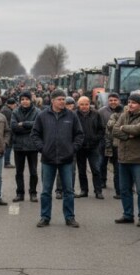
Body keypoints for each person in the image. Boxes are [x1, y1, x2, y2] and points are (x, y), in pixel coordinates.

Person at [32, 89, 84, 228]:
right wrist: (42, 148)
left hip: (66, 159)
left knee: (68, 191)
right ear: (53, 100)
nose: (63, 102)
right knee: (46, 191)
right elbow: (35, 134)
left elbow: (79, 135)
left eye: (64, 99)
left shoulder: (71, 116)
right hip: (48, 160)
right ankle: (45, 217)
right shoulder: (42, 116)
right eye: (60, 99)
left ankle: (69, 217)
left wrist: (72, 149)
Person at [112, 93, 140, 226]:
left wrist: (124, 128)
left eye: (133, 103)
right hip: (123, 159)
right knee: (124, 190)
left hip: (138, 160)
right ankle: (128, 215)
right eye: (129, 102)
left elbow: (139, 129)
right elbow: (114, 131)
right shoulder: (124, 115)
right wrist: (127, 135)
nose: (130, 105)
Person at [11, 91, 39, 202]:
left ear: (30, 100)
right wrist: (29, 126)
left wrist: (23, 123)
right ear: (20, 101)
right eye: (22, 99)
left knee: (33, 171)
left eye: (26, 99)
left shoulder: (37, 111)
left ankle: (33, 193)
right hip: (19, 146)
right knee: (19, 172)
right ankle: (20, 193)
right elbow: (13, 127)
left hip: (32, 146)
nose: (24, 101)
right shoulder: (15, 112)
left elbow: (37, 125)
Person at [75, 96, 105, 199]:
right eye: (82, 104)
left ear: (89, 104)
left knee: (96, 169)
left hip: (93, 147)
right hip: (80, 148)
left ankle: (98, 191)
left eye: (86, 104)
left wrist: (96, 139)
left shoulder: (96, 114)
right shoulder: (74, 115)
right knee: (81, 170)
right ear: (78, 105)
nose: (84, 106)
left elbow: (101, 130)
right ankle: (84, 190)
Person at [98, 92, 123, 198]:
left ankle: (119, 189)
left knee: (118, 166)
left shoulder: (124, 111)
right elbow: (98, 126)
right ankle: (102, 181)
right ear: (108, 101)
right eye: (111, 100)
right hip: (104, 140)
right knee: (102, 163)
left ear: (119, 101)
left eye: (115, 100)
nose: (113, 102)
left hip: (119, 141)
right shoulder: (101, 111)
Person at [55, 96, 80, 199]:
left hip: (71, 148)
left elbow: (79, 133)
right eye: (67, 105)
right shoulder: (59, 116)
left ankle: (70, 190)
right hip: (60, 148)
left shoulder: (74, 116)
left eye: (71, 105)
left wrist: (74, 146)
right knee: (60, 170)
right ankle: (59, 190)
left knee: (72, 171)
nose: (70, 107)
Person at [1, 97, 17, 168]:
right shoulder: (8, 111)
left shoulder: (4, 109)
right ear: (10, 105)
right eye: (14, 105)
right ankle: (7, 162)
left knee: (8, 146)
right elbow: (10, 122)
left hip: (4, 130)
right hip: (7, 130)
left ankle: (6, 162)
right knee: (8, 146)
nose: (15, 106)